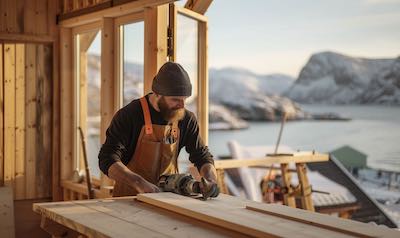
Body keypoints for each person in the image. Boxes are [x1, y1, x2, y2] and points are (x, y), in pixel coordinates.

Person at [98, 62, 219, 197]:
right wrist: (138, 182)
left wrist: (210, 179)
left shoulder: (186, 119)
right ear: (157, 94)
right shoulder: (129, 115)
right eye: (175, 99)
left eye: (185, 99)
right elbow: (107, 158)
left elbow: (201, 155)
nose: (182, 105)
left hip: (169, 199)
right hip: (129, 198)